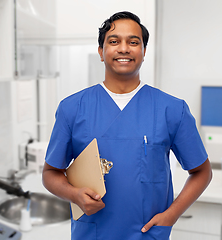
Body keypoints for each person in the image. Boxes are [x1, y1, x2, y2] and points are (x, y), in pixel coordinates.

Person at [42, 11, 212, 240]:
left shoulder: (171, 109)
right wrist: (74, 194)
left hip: (147, 234)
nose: (124, 48)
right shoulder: (72, 108)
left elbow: (202, 172)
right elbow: (51, 173)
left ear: (143, 52)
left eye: (134, 42)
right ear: (101, 52)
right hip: (92, 233)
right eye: (114, 41)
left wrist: (172, 215)